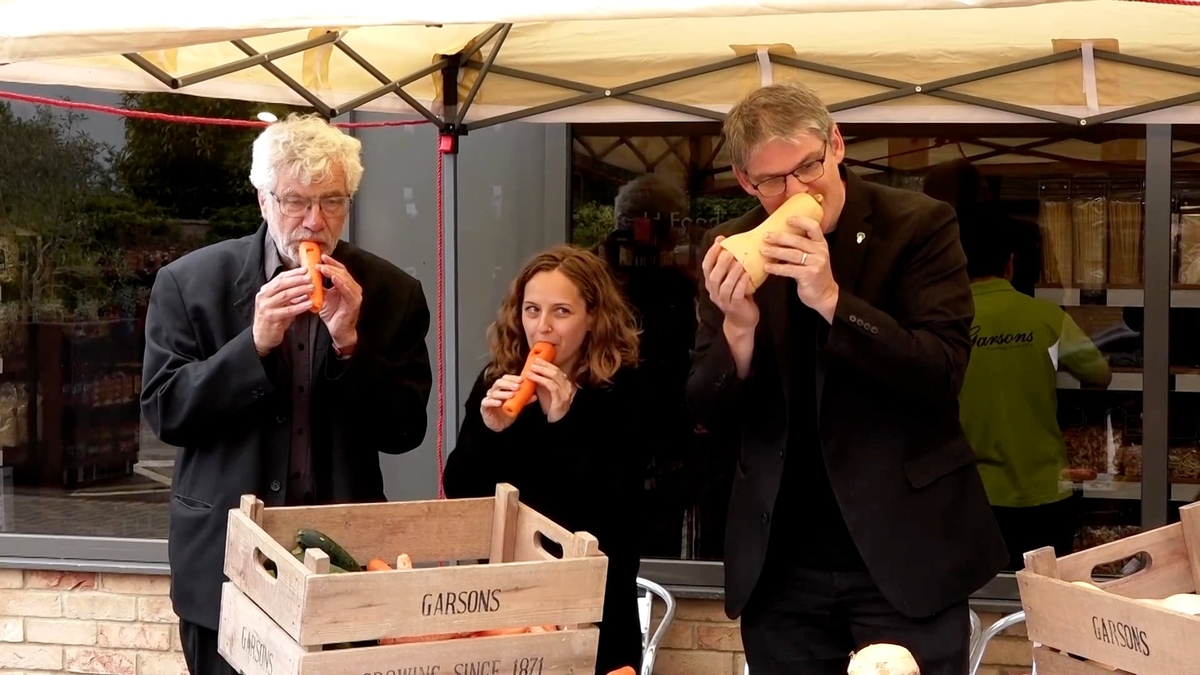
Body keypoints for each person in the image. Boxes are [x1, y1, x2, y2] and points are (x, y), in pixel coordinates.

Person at [687, 82, 1008, 675]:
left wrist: (834, 300)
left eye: (807, 165)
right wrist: (736, 331)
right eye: (771, 181)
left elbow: (941, 373)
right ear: (744, 180)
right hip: (782, 563)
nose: (794, 191)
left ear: (836, 144)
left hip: (902, 550)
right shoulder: (727, 246)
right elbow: (706, 408)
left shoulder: (918, 225)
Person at [140, 114, 433, 675]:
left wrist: (351, 343)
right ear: (263, 201)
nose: (314, 222)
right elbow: (166, 412)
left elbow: (403, 432)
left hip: (342, 563)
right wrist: (252, 345)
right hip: (225, 557)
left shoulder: (393, 292)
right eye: (296, 202)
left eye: (333, 202)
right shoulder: (189, 282)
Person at [442, 245, 649, 675]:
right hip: (508, 603)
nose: (543, 327)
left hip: (594, 609)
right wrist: (488, 432)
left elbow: (613, 515)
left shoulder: (624, 392)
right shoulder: (495, 381)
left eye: (561, 312)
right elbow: (461, 491)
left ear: (592, 317)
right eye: (532, 310)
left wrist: (564, 422)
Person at [924, 160, 1111, 570]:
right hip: (1045, 492)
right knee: (1043, 603)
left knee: (982, 599)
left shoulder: (941, 322)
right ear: (1010, 263)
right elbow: (1099, 374)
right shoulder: (1045, 318)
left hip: (971, 492)